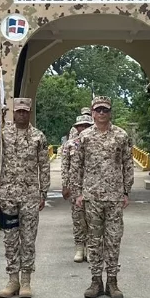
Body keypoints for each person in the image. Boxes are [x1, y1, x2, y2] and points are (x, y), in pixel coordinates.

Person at [72, 96, 134, 298]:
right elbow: (77, 166)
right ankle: (96, 280)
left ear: (110, 112)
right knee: (95, 240)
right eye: (98, 110)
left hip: (115, 196)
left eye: (105, 110)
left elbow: (127, 164)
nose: (101, 114)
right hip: (92, 196)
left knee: (114, 239)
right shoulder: (85, 137)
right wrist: (78, 193)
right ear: (92, 112)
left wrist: (126, 191)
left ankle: (113, 282)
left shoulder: (121, 136)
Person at [0, 98, 50, 298]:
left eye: (25, 111)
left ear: (29, 112)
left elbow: (43, 166)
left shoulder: (38, 137)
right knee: (10, 239)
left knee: (28, 239)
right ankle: (12, 279)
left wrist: (43, 193)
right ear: (13, 112)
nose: (22, 115)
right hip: (7, 195)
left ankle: (26, 280)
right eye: (18, 111)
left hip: (29, 196)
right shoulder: (3, 134)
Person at [61, 111, 93, 263]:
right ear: (77, 128)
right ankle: (80, 247)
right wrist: (65, 185)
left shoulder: (96, 142)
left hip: (93, 186)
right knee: (78, 218)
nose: (84, 128)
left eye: (87, 126)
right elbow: (65, 166)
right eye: (81, 126)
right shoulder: (69, 145)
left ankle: (91, 248)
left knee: (93, 218)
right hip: (75, 187)